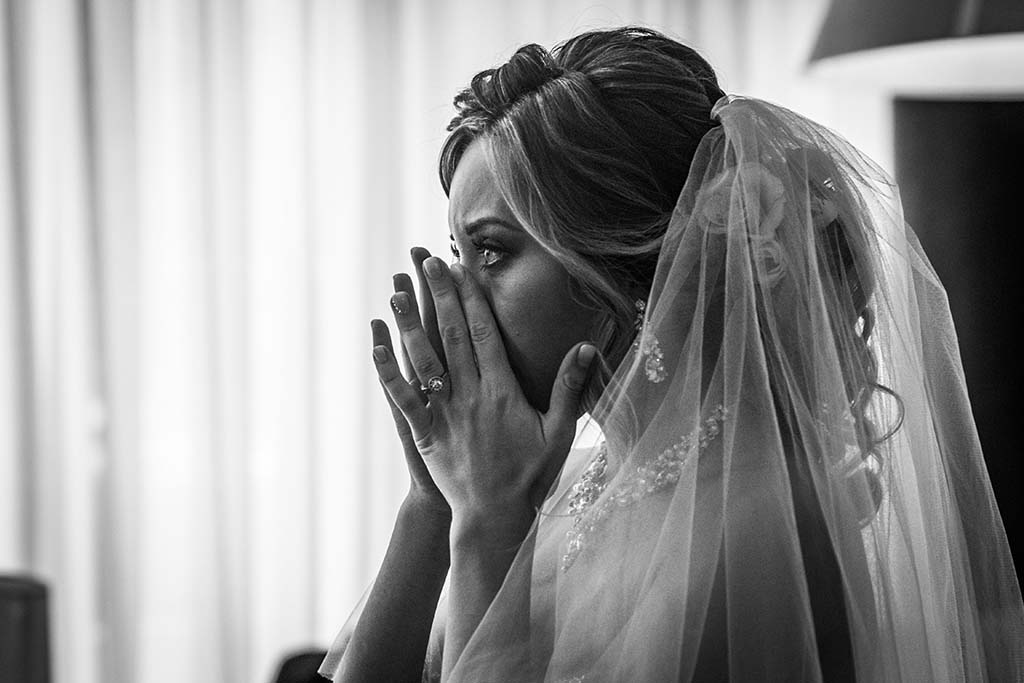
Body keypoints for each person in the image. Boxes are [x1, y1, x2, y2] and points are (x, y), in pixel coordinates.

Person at [320, 27, 1024, 682]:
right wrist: (431, 505)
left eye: (492, 251)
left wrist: (489, 525)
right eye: (455, 253)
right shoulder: (550, 481)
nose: (454, 292)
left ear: (625, 270)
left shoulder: (757, 528)